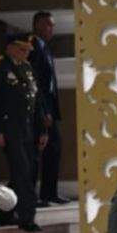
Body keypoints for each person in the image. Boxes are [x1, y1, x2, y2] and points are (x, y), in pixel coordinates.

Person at [0, 31, 47, 232]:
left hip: (28, 129)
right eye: (21, 49)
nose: (25, 54)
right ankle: (27, 217)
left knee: (27, 172)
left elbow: (36, 102)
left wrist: (42, 129)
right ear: (10, 47)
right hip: (10, 130)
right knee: (22, 170)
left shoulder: (27, 68)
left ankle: (5, 211)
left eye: (28, 50)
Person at [28, 12, 67, 206]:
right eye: (48, 25)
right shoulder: (32, 48)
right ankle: (32, 195)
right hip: (39, 110)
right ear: (38, 25)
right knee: (37, 152)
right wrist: (43, 111)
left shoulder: (46, 48)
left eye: (53, 25)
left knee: (55, 149)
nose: (52, 29)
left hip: (51, 107)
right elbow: (37, 84)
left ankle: (49, 192)